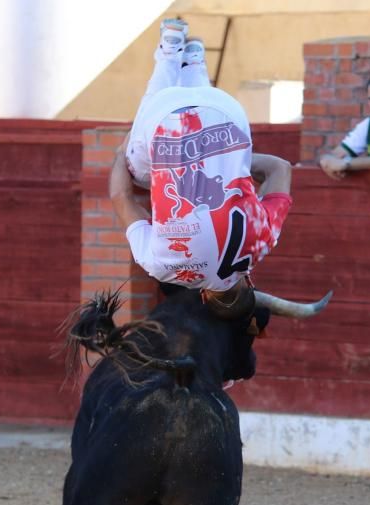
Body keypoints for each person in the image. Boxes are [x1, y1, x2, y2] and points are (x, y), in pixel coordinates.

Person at [109, 18, 292, 320]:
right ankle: (170, 49)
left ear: (248, 280)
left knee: (189, 117)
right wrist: (119, 155)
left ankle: (194, 62)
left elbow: (280, 168)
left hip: (226, 109)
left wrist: (234, 160)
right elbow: (120, 196)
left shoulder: (262, 242)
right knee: (138, 173)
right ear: (205, 295)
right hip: (165, 118)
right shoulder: (161, 266)